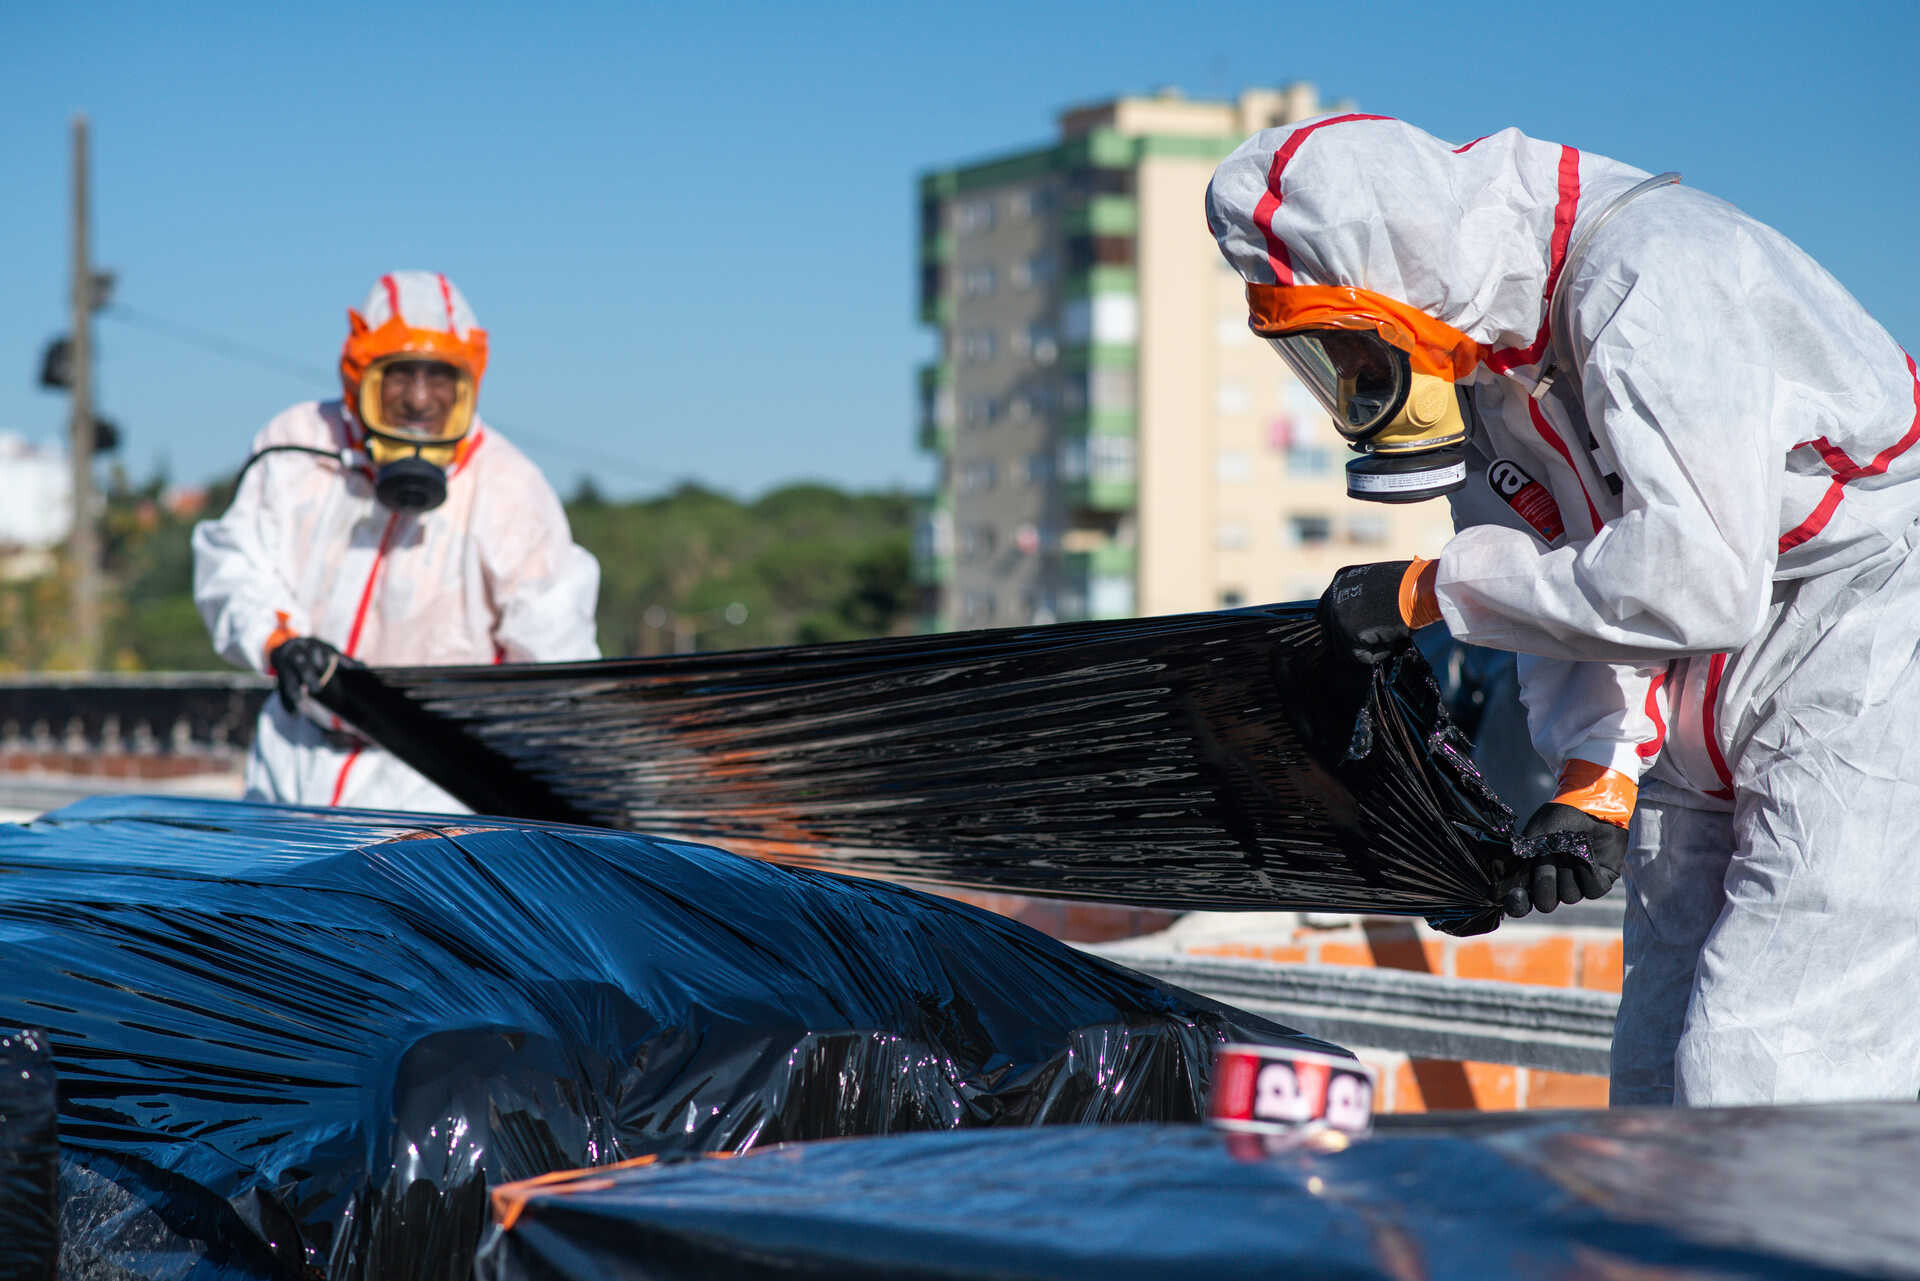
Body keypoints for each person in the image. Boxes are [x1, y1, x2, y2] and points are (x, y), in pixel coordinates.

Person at [1206, 115, 1920, 1107]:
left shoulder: (1657, 276)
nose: (1354, 383)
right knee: (1656, 1070)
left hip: (1868, 638)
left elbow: (1691, 578)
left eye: (1349, 347)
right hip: (1711, 668)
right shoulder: (1491, 361)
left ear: (1399, 273)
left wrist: (1427, 592)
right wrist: (1595, 779)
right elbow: (1567, 586)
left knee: (1774, 1070)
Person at [194, 271, 600, 812]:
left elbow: (558, 659)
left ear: (469, 385)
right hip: (288, 764)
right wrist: (277, 639)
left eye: (440, 379)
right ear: (357, 376)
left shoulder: (509, 487)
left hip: (432, 789)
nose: (418, 400)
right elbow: (234, 563)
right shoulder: (297, 446)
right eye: (400, 375)